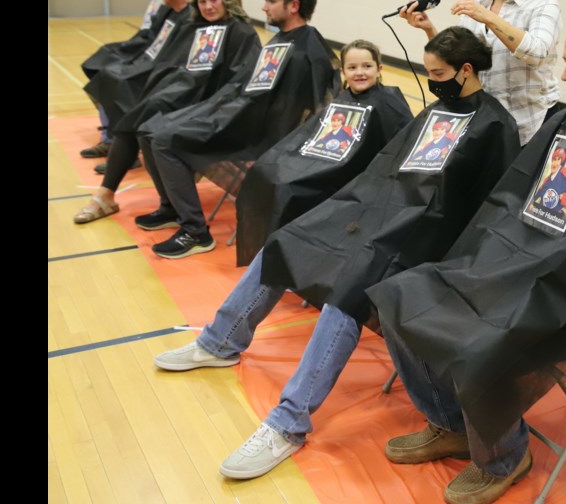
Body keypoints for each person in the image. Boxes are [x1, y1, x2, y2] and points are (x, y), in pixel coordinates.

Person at [152, 27, 521, 482]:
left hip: (424, 242)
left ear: (466, 71)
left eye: (438, 74)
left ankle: (287, 424)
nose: (432, 82)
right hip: (380, 216)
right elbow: (389, 170)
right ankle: (220, 342)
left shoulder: (495, 125)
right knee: (287, 242)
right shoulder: (437, 112)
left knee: (348, 291)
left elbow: (484, 211)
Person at [366, 22, 566, 504]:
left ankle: (503, 455)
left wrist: (541, 272)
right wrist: (490, 260)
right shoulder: (563, 118)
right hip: (512, 266)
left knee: (480, 338)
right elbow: (512, 196)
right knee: (399, 295)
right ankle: (452, 422)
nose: (565, 74)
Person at [134, 0, 339, 258]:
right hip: (238, 116)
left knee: (164, 140)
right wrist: (214, 108)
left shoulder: (310, 52)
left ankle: (195, 231)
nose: (264, 7)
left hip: (256, 132)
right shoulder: (281, 40)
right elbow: (246, 86)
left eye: (270, 0)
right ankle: (171, 208)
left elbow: (310, 110)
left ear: (293, 5)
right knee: (148, 130)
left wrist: (223, 115)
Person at [73, 0, 260, 224]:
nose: (208, 7)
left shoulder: (242, 33)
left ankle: (109, 196)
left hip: (212, 107)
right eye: (202, 2)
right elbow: (171, 65)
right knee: (141, 120)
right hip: (184, 97)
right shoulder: (196, 28)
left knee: (143, 122)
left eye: (213, 0)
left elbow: (239, 82)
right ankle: (154, 202)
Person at [234, 39, 413, 266]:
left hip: (352, 179)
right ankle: (273, 256)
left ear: (379, 69)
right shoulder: (343, 99)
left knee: (287, 190)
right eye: (352, 67)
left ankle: (284, 263)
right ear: (343, 72)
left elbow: (398, 151)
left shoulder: (389, 103)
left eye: (367, 66)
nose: (359, 73)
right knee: (263, 173)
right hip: (325, 166)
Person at [400, 0, 561, 145]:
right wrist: (429, 29)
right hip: (484, 122)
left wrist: (489, 17)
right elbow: (459, 62)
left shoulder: (543, 4)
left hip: (528, 125)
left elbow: (537, 52)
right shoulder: (477, 4)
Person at [80, 0, 175, 161]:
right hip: (142, 45)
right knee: (98, 66)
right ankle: (109, 129)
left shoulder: (174, 7)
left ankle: (115, 139)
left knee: (113, 78)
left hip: (153, 56)